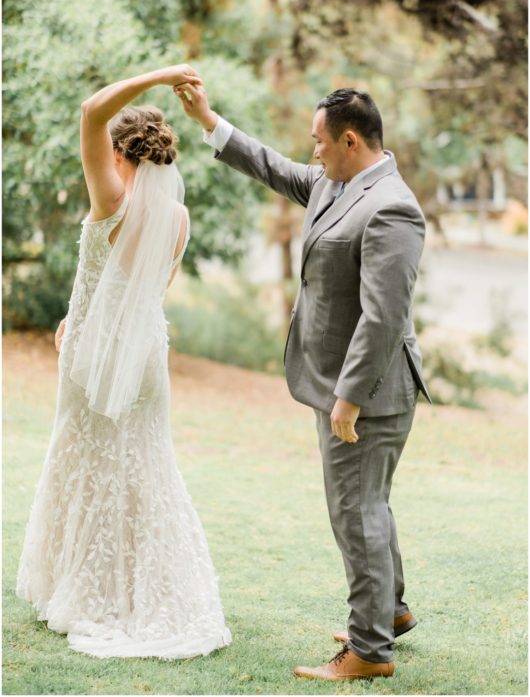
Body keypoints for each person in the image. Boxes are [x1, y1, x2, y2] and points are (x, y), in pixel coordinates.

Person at [175, 80, 431, 681]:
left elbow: (383, 316)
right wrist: (209, 119)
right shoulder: (334, 182)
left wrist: (348, 399)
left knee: (356, 510)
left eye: (319, 141)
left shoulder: (392, 206)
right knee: (370, 504)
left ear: (349, 139)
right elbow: (273, 167)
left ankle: (368, 652)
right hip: (340, 384)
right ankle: (387, 612)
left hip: (366, 393)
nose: (311, 152)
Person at [16, 65, 231, 660]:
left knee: (87, 461)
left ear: (118, 153)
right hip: (144, 364)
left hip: (91, 360)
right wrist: (77, 309)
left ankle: (89, 590)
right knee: (144, 470)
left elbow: (90, 110)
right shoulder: (178, 219)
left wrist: (161, 74)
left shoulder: (110, 196)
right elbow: (145, 292)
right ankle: (150, 589)